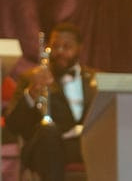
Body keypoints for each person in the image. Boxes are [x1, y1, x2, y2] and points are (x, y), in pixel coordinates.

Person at [3, 22, 96, 181]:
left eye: (67, 47)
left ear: (79, 48)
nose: (60, 51)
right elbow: (12, 124)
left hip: (81, 145)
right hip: (43, 146)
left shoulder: (95, 78)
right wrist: (32, 92)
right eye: (55, 46)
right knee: (48, 131)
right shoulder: (30, 77)